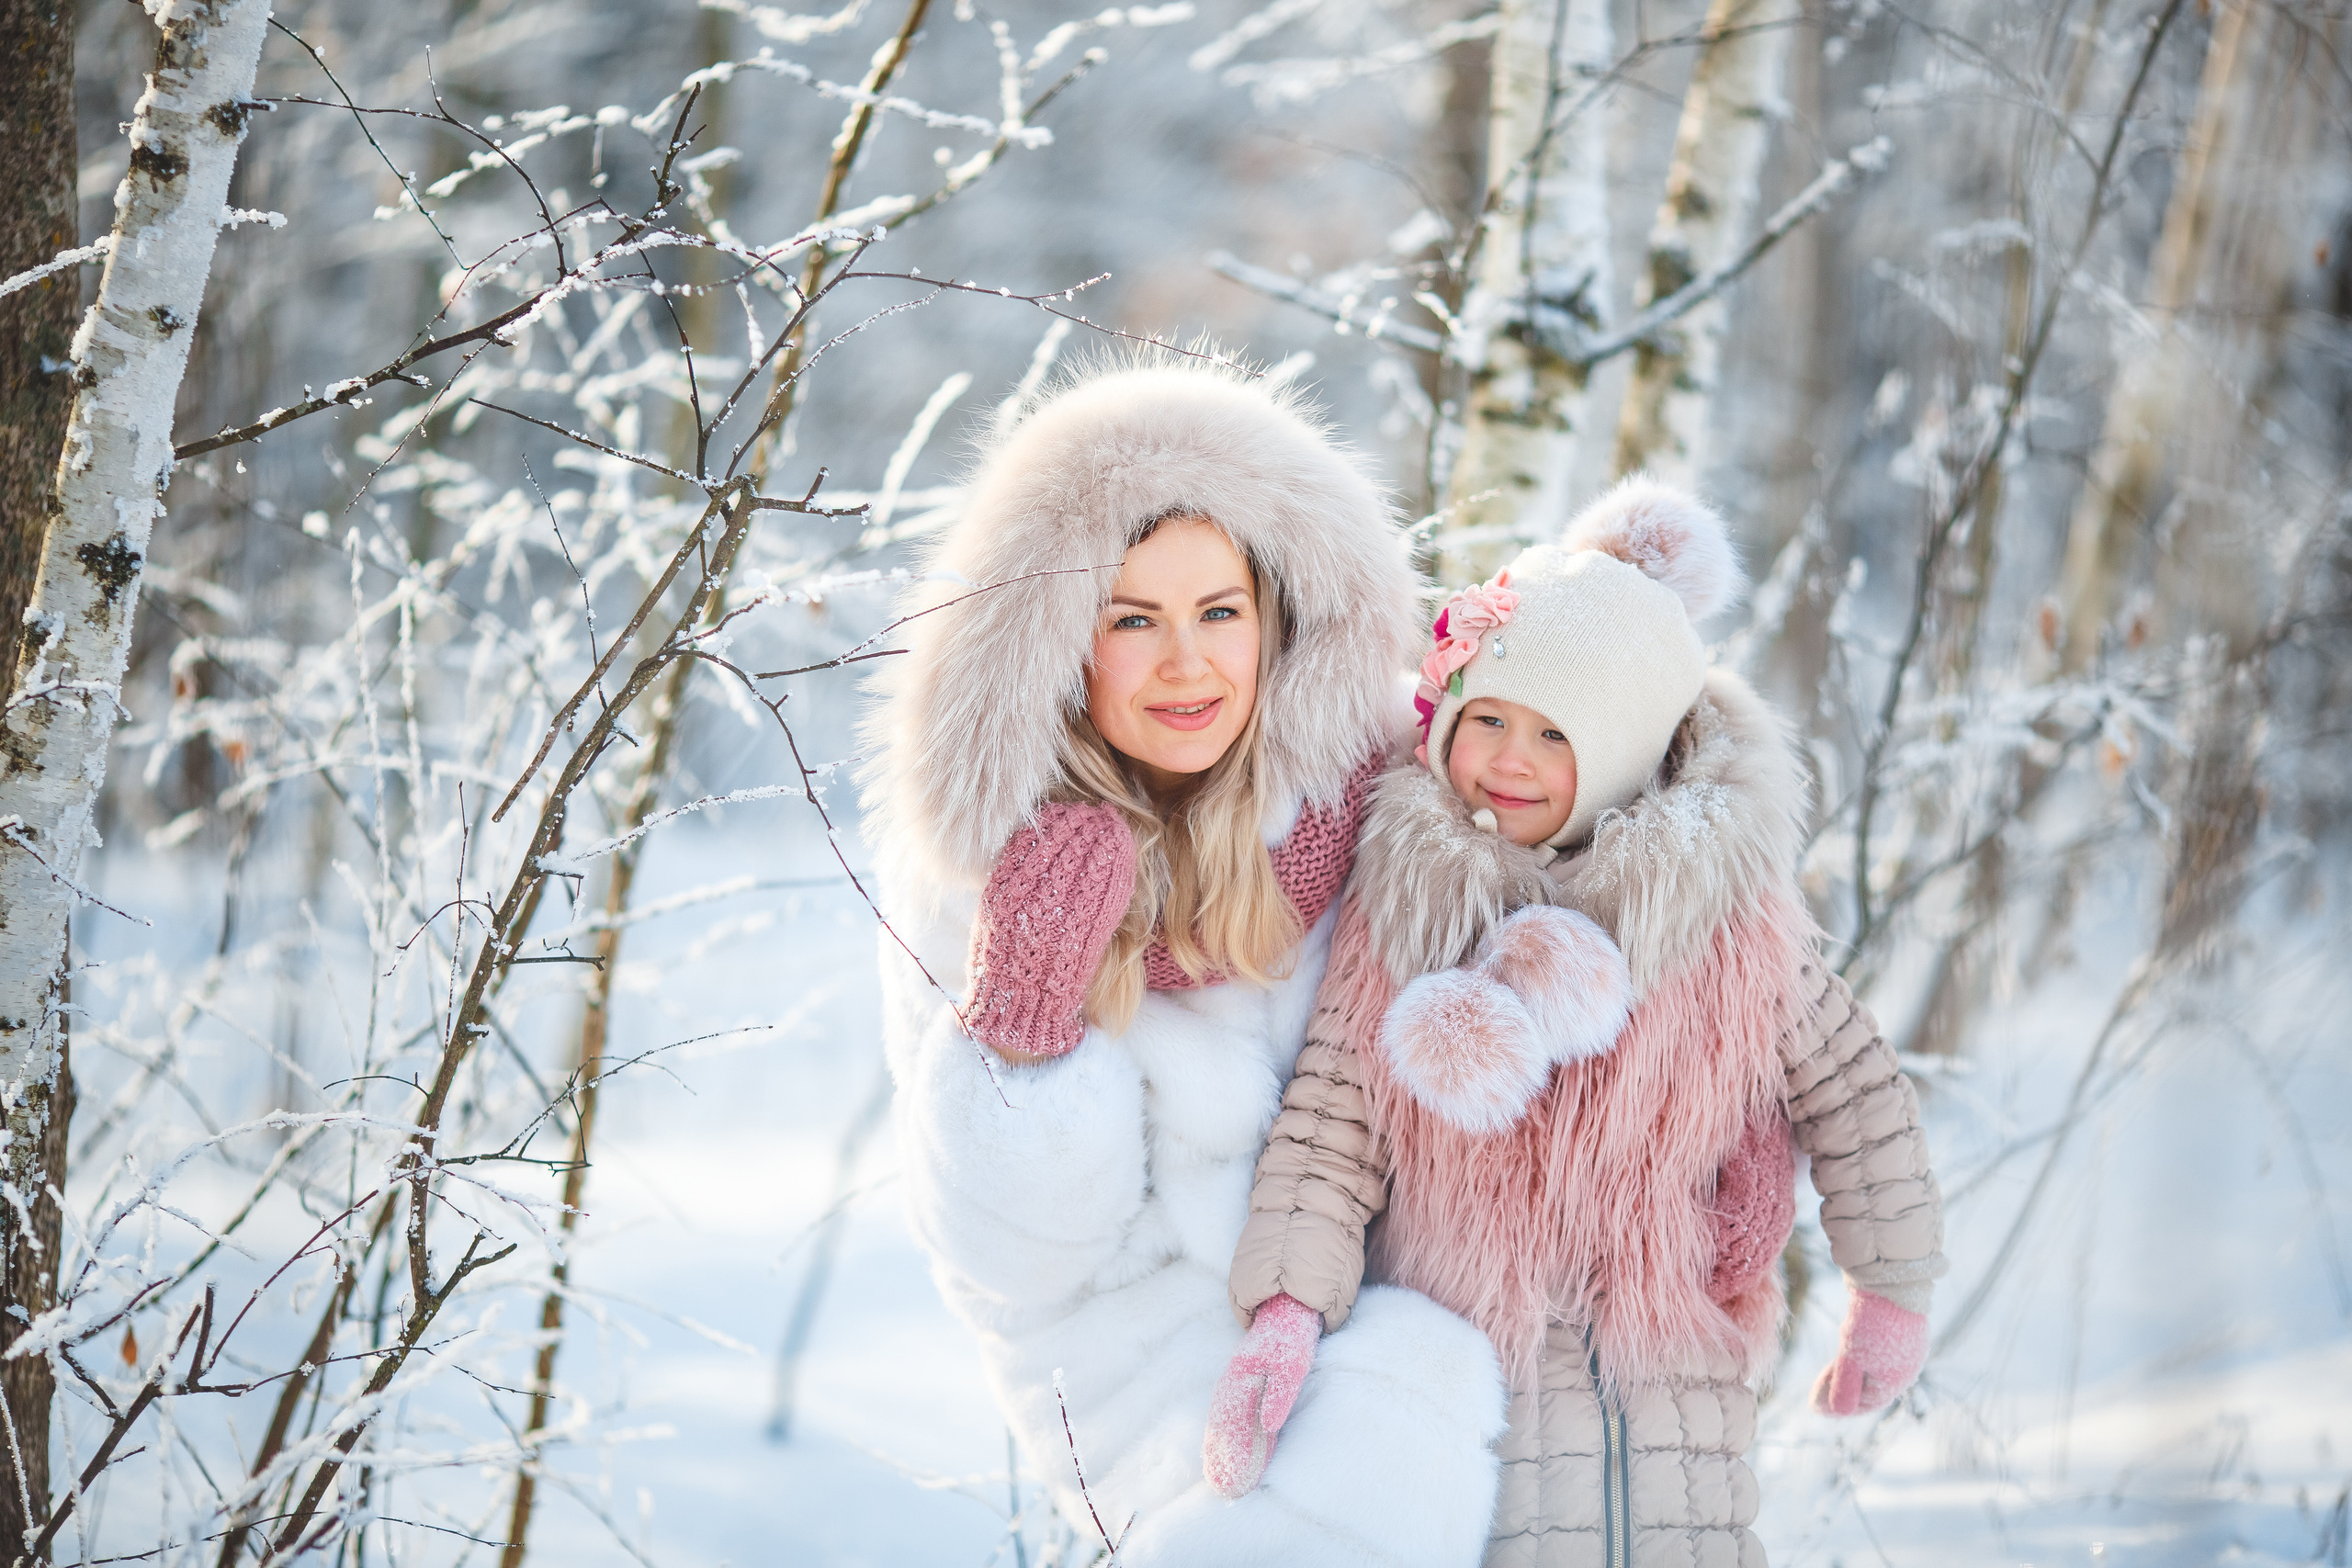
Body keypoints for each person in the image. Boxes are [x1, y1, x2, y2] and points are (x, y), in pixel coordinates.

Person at [1212, 477, 1949, 1565]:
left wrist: (1891, 1290)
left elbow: (1858, 1098)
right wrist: (1283, 1313)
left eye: (1552, 736)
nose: (1507, 759)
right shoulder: (1407, 911)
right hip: (1470, 1380)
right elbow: (1331, 1126)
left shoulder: (1724, 927)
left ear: (1621, 754)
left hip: (1672, 1380)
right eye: (1486, 721)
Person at [863, 358, 1510, 1564]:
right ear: (1061, 641)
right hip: (1129, 1361)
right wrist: (1024, 1024)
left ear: (1277, 621)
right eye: (1132, 619)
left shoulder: (1374, 810)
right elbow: (1010, 1259)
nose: (1185, 662)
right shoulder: (981, 862)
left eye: (1218, 612)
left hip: (1396, 1297)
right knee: (1374, 1462)